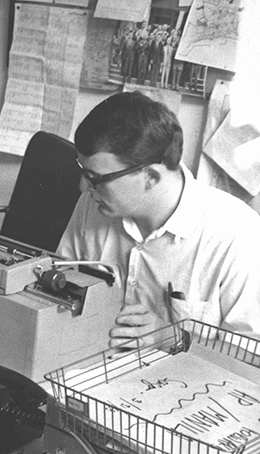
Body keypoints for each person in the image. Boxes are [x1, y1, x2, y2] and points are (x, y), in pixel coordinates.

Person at [57, 91, 260, 347]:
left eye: (96, 178)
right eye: (82, 172)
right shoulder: (95, 202)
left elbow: (251, 358)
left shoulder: (238, 234)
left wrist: (170, 337)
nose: (83, 187)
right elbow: (61, 281)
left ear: (151, 177)